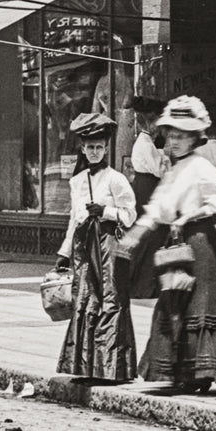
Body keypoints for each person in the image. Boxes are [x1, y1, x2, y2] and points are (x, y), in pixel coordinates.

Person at [120, 96, 216, 394]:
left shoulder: (201, 167)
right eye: (173, 135)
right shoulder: (175, 169)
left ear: (195, 138)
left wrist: (190, 216)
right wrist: (136, 234)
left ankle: (201, 372)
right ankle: (181, 370)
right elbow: (159, 206)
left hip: (204, 245)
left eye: (183, 136)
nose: (176, 141)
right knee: (174, 304)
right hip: (181, 245)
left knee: (199, 307)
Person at [54, 112, 137, 382]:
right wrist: (64, 253)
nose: (94, 152)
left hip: (108, 246)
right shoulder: (76, 182)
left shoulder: (116, 179)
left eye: (99, 147)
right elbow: (73, 218)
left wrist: (106, 211)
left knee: (110, 301)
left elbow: (130, 214)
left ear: (105, 149)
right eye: (90, 147)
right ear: (82, 148)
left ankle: (112, 368)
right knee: (85, 300)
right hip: (84, 247)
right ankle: (87, 367)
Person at [130, 97, 168, 215]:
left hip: (144, 184)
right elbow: (159, 171)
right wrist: (163, 153)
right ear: (150, 123)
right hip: (147, 187)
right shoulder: (146, 144)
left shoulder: (147, 141)